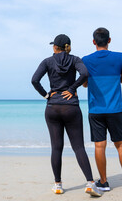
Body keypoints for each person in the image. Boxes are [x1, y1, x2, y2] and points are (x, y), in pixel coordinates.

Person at [31, 34, 102, 197]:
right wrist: (71, 89)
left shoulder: (47, 61)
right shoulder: (75, 59)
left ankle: (57, 185)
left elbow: (34, 80)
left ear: (55, 47)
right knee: (78, 147)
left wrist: (46, 95)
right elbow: (85, 74)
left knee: (56, 147)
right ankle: (90, 183)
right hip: (71, 107)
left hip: (52, 107)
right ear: (67, 46)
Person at [82, 27, 122, 191]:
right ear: (109, 40)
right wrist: (114, 78)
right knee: (120, 145)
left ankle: (104, 182)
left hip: (96, 110)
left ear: (93, 42)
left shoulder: (86, 60)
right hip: (115, 109)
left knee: (100, 146)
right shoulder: (119, 57)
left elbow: (84, 83)